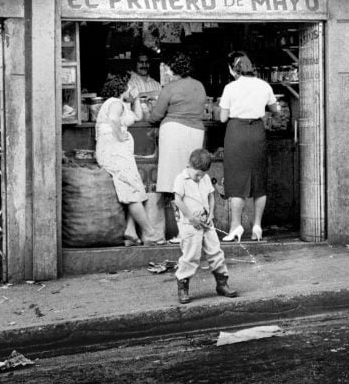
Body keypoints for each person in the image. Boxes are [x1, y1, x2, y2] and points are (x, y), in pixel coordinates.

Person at [94, 72, 166, 246]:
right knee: (133, 193)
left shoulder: (122, 104)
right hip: (115, 153)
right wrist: (119, 136)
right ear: (124, 87)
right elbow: (113, 119)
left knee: (134, 189)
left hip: (119, 154)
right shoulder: (115, 103)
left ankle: (131, 232)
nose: (134, 90)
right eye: (131, 87)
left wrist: (135, 99)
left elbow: (138, 117)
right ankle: (151, 233)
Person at [218, 50, 281, 242]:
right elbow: (276, 109)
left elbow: (222, 118)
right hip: (257, 132)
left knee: (237, 181)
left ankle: (236, 226)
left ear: (232, 69)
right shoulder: (264, 85)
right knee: (259, 181)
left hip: (236, 132)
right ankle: (257, 226)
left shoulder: (230, 88)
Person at [147, 53, 208, 238]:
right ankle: (190, 229)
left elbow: (155, 116)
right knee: (190, 181)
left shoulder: (170, 87)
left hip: (173, 134)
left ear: (174, 70)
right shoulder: (199, 85)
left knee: (174, 184)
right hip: (196, 133)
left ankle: (179, 231)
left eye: (168, 68)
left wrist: (150, 112)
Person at [173, 148, 238, 304]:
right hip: (190, 225)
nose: (199, 177)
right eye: (197, 174)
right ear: (189, 165)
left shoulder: (205, 178)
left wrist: (211, 215)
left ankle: (222, 284)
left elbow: (211, 196)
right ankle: (183, 287)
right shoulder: (181, 179)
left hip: (207, 224)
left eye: (202, 174)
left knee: (216, 251)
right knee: (191, 255)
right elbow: (178, 200)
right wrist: (191, 218)